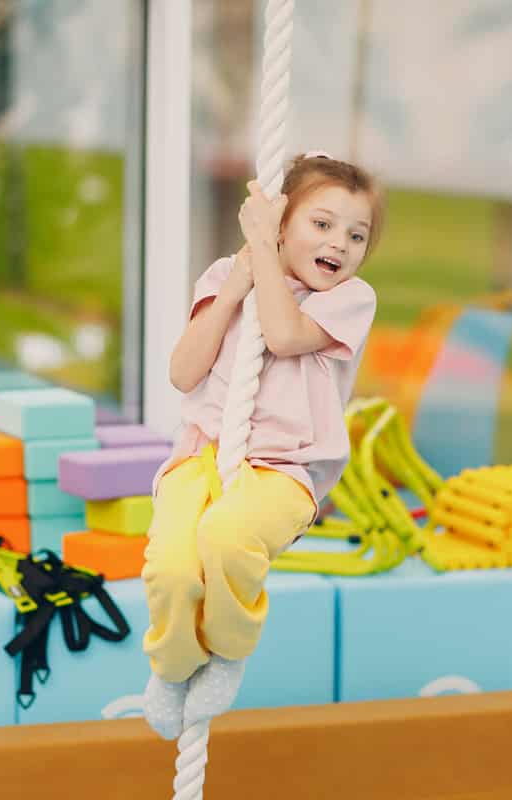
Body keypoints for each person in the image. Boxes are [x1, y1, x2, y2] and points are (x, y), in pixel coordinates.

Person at [142, 152, 383, 739]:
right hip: (202, 454)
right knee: (172, 567)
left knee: (226, 538)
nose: (340, 244)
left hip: (285, 470)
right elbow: (182, 373)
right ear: (281, 223)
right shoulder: (230, 275)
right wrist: (233, 291)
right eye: (321, 224)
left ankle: (227, 650)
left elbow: (281, 334)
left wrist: (264, 261)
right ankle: (173, 668)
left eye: (357, 234)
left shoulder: (350, 299)